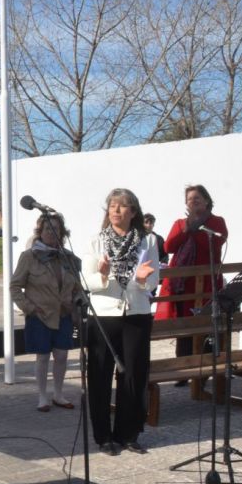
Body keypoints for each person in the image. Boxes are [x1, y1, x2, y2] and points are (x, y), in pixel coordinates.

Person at [81, 188, 159, 456]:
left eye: (122, 206)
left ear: (133, 212)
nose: (115, 210)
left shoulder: (147, 241)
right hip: (104, 314)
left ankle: (128, 433)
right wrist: (101, 275)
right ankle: (103, 436)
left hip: (136, 312)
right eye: (112, 206)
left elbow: (153, 280)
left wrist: (141, 279)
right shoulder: (96, 242)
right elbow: (86, 282)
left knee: (133, 375)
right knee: (100, 375)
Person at [10, 213, 83, 412]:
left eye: (56, 229)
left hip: (64, 314)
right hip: (39, 315)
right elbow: (15, 286)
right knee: (42, 356)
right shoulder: (29, 256)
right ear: (40, 233)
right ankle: (43, 397)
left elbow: (78, 286)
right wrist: (29, 308)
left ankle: (58, 394)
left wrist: (77, 304)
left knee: (61, 356)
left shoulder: (69, 258)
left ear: (63, 233)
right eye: (47, 229)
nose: (52, 233)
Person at [157, 185, 227, 363]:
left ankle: (207, 366)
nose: (193, 202)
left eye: (197, 198)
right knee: (185, 328)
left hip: (208, 284)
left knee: (207, 325)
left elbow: (213, 244)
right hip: (183, 285)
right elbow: (168, 247)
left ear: (206, 201)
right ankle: (184, 367)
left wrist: (198, 227)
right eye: (189, 199)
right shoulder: (180, 224)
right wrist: (188, 227)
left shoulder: (216, 222)